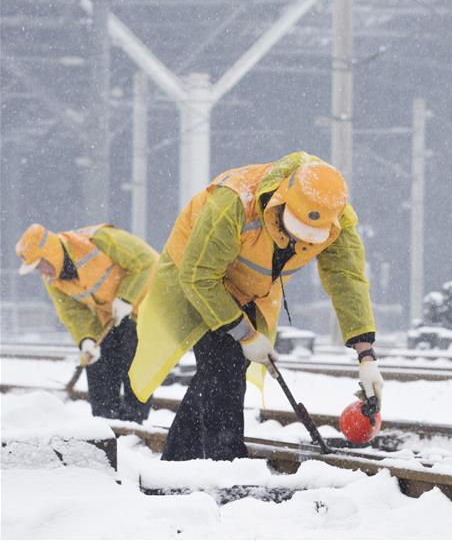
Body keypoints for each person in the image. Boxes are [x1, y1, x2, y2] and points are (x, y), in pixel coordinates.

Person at [129, 152, 383, 461]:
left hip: (251, 289)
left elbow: (347, 279)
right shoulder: (234, 202)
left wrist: (366, 355)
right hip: (198, 276)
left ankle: (179, 461)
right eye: (294, 230)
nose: (297, 242)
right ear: (281, 203)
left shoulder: (335, 216)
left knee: (219, 373)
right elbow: (198, 276)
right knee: (224, 367)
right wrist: (246, 334)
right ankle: (225, 462)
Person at [15, 223, 158, 422]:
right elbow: (72, 312)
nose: (41, 272)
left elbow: (145, 260)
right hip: (113, 313)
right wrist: (86, 339)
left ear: (50, 253)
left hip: (149, 303)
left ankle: (135, 423)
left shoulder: (98, 239)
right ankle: (106, 421)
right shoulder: (53, 279)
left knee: (132, 356)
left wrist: (127, 297)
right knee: (98, 359)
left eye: (40, 265)